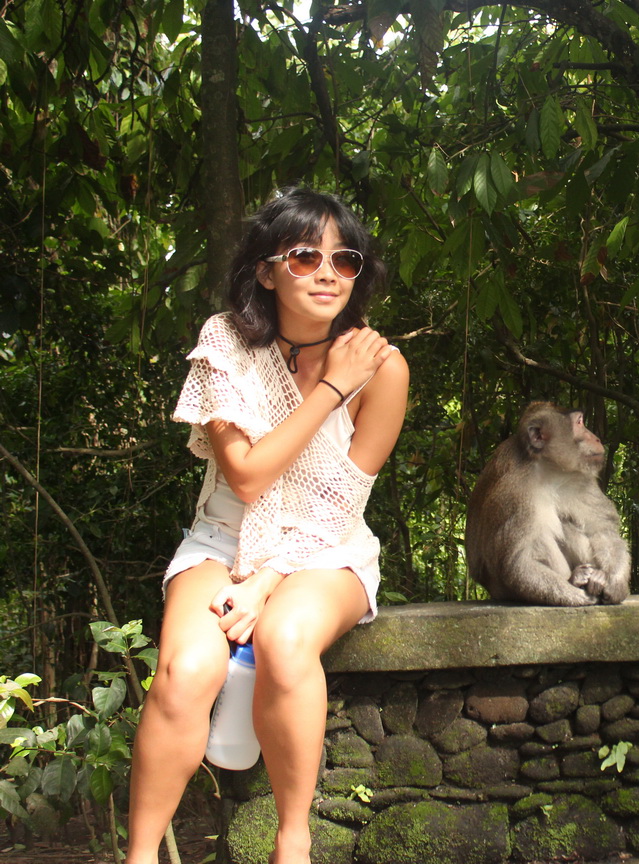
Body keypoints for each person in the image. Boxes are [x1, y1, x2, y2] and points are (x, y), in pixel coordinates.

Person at [126, 188, 409, 864]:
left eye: (345, 259)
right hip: (222, 540)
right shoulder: (225, 343)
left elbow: (340, 503)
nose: (327, 273)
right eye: (306, 256)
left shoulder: (383, 367)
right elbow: (247, 477)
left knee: (285, 639)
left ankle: (293, 844)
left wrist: (268, 582)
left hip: (326, 549)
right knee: (186, 669)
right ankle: (138, 856)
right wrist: (331, 387)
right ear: (266, 270)